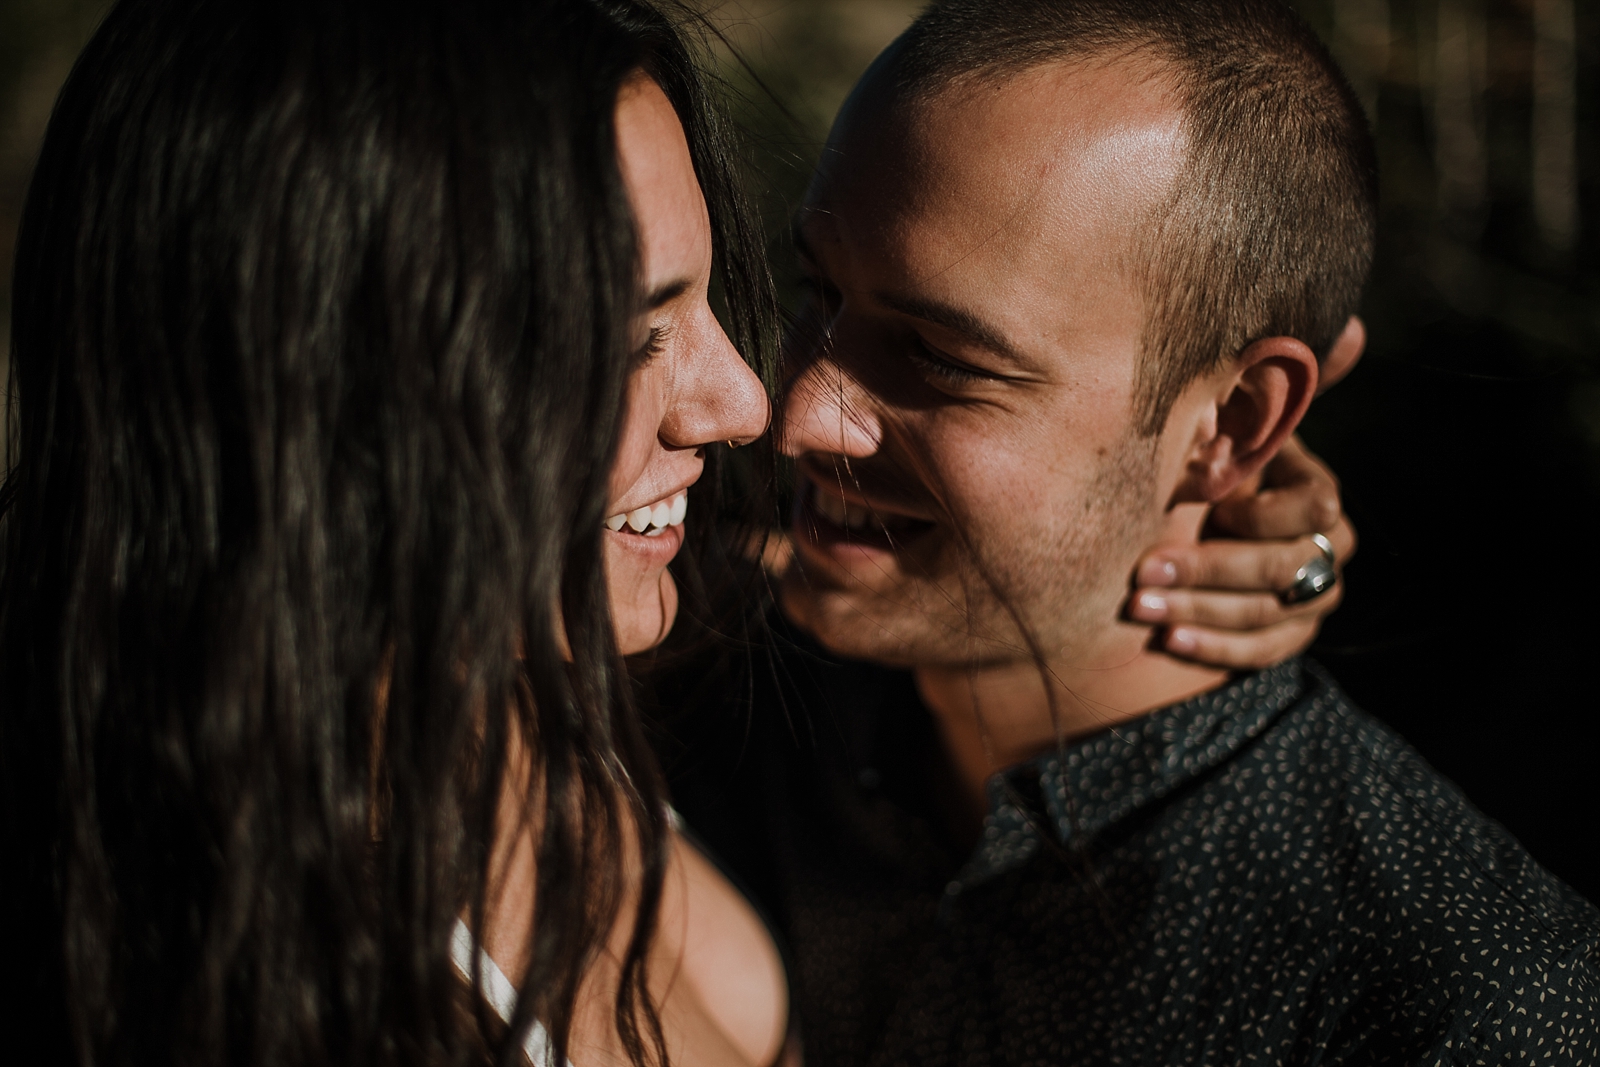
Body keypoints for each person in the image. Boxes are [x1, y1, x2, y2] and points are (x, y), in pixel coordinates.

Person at [663, 1, 1600, 1064]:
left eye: (941, 359)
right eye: (817, 293)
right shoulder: (710, 695)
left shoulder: (1459, 1002)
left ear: (1236, 424)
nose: (791, 415)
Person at [0, 1, 790, 1064]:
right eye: (631, 336)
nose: (742, 403)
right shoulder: (248, 995)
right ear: (319, 392)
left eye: (702, 307)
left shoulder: (528, 683)